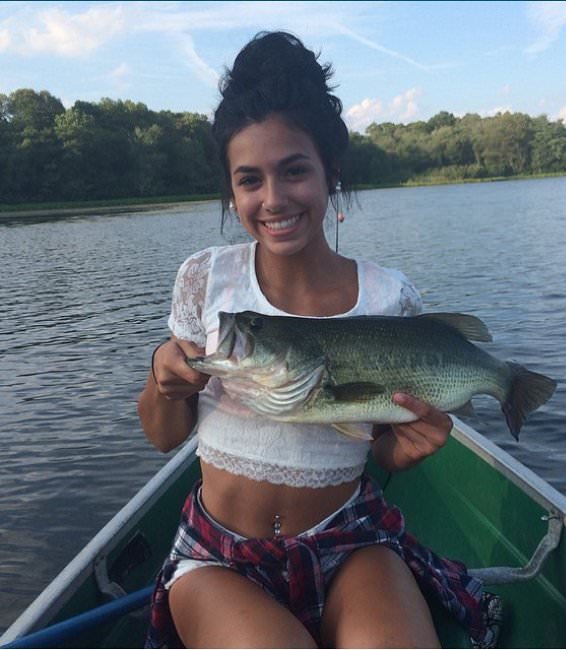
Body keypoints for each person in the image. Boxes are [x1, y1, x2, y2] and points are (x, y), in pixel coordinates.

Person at [139, 31, 501, 649]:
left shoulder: (392, 299)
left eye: (294, 171)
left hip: (351, 541)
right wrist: (162, 376)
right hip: (219, 557)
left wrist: (404, 452)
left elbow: (379, 448)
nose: (273, 199)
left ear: (331, 171)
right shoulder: (207, 281)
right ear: (231, 189)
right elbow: (164, 433)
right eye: (249, 179)